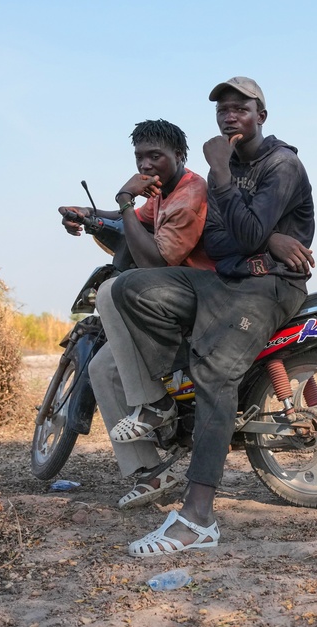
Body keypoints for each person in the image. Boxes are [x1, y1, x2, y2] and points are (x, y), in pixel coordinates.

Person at [109, 76, 315, 556]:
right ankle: (164, 396)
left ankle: (198, 518)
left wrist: (223, 175)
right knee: (132, 288)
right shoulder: (224, 170)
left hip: (271, 285)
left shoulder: (280, 164)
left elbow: (241, 235)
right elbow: (222, 242)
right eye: (222, 109)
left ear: (261, 115)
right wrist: (263, 235)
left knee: (215, 372)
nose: (229, 115)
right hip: (230, 279)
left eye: (240, 108)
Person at [57, 119, 214, 509]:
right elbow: (129, 220)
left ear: (179, 156)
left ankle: (155, 403)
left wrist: (127, 199)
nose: (145, 165)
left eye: (155, 156)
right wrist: (88, 213)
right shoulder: (159, 193)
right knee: (101, 370)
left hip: (195, 301)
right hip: (167, 298)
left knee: (113, 289)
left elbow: (155, 260)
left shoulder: (189, 194)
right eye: (140, 157)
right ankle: (148, 471)